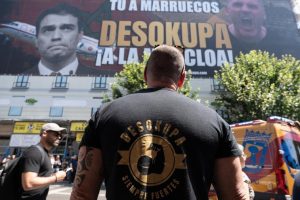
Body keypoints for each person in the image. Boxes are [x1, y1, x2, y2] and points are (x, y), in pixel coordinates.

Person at [70, 45, 249, 200]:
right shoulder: (215, 122)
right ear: (182, 78)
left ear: (145, 73)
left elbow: (82, 195)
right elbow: (236, 196)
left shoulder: (104, 115)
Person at [23, 3, 100, 76]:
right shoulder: (14, 79)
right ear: (36, 40)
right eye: (48, 30)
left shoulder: (106, 78)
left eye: (66, 28)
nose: (56, 37)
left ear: (80, 35)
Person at [225, 0, 300, 58]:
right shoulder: (214, 41)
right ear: (227, 11)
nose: (245, 10)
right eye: (238, 5)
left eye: (252, 6)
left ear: (264, 13)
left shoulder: (285, 45)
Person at [19, 123, 67, 199]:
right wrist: (55, 177)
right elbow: (28, 183)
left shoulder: (45, 153)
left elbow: (41, 175)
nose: (59, 137)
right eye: (56, 134)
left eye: (60, 136)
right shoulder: (34, 151)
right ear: (44, 133)